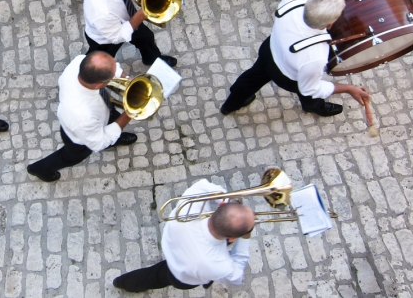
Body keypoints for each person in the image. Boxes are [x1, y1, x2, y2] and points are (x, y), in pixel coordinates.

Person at [219, 0, 370, 117]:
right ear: (330, 24)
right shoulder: (316, 55)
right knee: (310, 97)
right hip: (286, 76)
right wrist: (349, 88)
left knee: (251, 78)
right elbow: (311, 88)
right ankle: (312, 107)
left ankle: (230, 105)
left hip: (269, 50)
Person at [113, 179, 254, 292]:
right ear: (234, 239)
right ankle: (125, 284)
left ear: (221, 205)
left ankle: (122, 282)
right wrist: (246, 237)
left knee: (152, 276)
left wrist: (229, 200)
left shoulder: (189, 205)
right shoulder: (220, 266)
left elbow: (203, 185)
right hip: (182, 276)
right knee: (155, 278)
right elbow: (236, 275)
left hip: (176, 246)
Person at [26, 51, 138, 182]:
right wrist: (130, 112)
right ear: (99, 84)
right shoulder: (82, 116)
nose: (118, 73)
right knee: (69, 158)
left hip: (98, 110)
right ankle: (38, 169)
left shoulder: (80, 61)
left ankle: (115, 138)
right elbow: (98, 143)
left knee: (112, 118)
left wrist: (127, 78)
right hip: (79, 138)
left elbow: (112, 69)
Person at [83, 0, 177, 68]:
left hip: (127, 18)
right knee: (98, 64)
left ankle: (152, 59)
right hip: (105, 38)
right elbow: (117, 36)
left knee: (146, 38)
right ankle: (89, 77)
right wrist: (140, 16)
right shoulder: (101, 12)